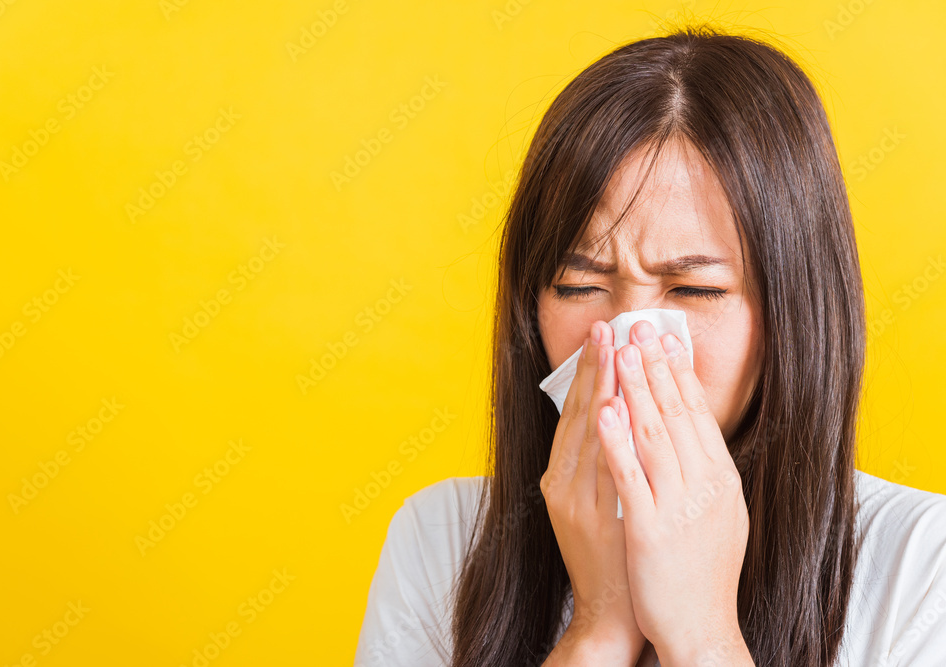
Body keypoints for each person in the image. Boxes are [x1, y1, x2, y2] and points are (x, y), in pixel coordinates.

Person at [353, 25, 946, 667]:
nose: (629, 342)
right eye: (579, 285)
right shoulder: (441, 541)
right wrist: (598, 628)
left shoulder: (922, 566)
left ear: (794, 311)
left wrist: (702, 635)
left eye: (693, 289)